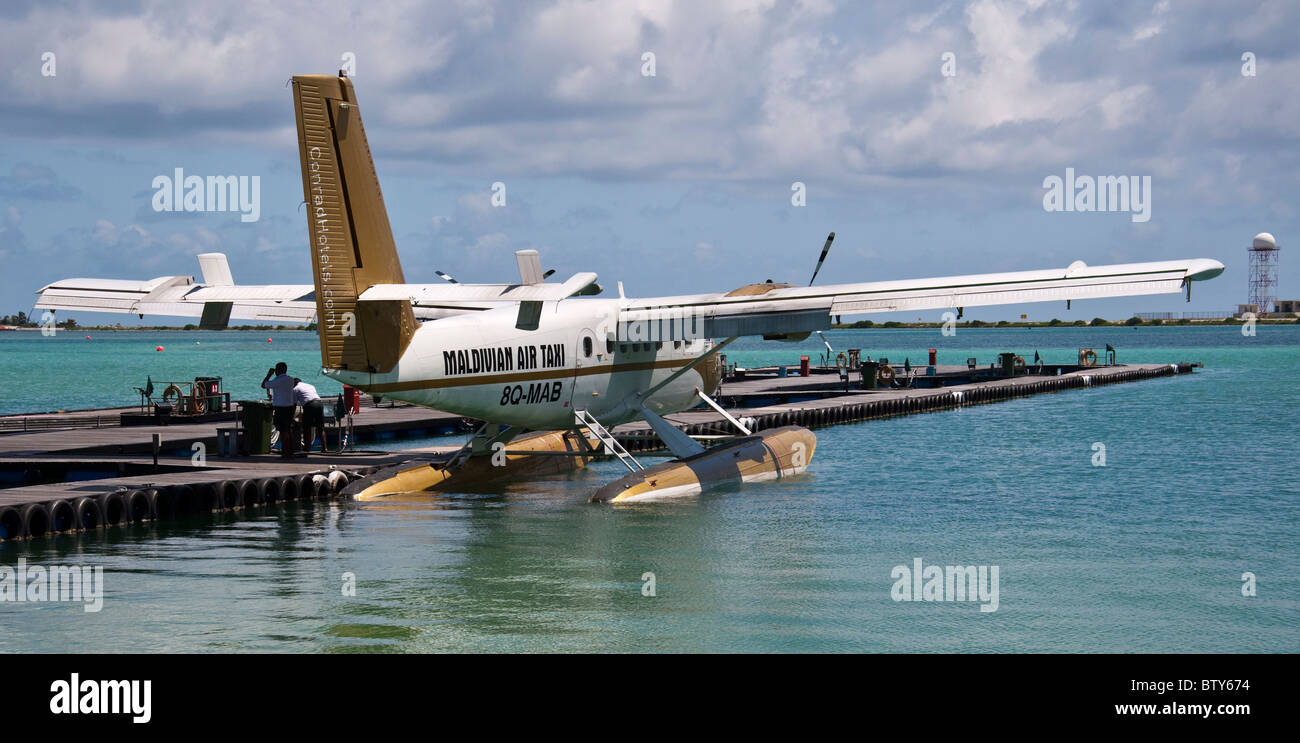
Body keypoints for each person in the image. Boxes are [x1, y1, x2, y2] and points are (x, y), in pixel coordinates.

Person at [261, 362, 296, 457]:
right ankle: (290, 451)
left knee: (283, 430)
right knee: (288, 430)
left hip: (281, 408)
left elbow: (264, 385)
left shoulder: (278, 380)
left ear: (278, 370)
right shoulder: (290, 379)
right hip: (290, 407)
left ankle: (285, 452)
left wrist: (269, 375)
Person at [293, 377, 324, 454]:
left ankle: (307, 449)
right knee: (320, 427)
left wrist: (292, 416)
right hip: (319, 404)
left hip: (309, 405)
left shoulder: (295, 389)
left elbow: (294, 404)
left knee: (307, 427)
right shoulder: (310, 385)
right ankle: (325, 448)